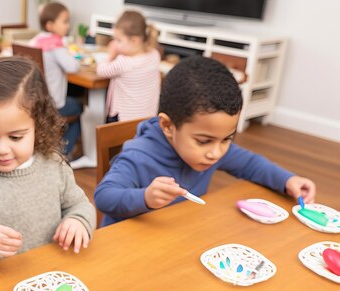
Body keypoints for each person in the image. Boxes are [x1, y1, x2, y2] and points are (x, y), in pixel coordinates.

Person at [94, 56, 316, 226]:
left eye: (227, 139)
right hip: (130, 249)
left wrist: (288, 180)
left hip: (180, 236)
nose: (216, 153)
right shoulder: (138, 156)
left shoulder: (213, 147)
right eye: (204, 141)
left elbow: (250, 164)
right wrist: (145, 197)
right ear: (168, 126)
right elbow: (104, 197)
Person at [0, 56, 95, 271]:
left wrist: (78, 220)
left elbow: (79, 205)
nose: (1, 149)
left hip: (49, 279)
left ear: (38, 127)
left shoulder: (55, 166)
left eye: (15, 137)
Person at [30, 1, 82, 157]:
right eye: (65, 22)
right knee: (79, 108)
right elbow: (73, 67)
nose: (68, 26)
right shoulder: (55, 46)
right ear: (50, 25)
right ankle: (63, 154)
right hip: (54, 104)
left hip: (36, 101)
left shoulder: (36, 41)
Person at [96, 10, 161, 123]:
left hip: (123, 121)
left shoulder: (124, 62)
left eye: (119, 40)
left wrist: (110, 55)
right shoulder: (154, 55)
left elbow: (101, 70)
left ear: (135, 40)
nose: (115, 44)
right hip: (148, 119)